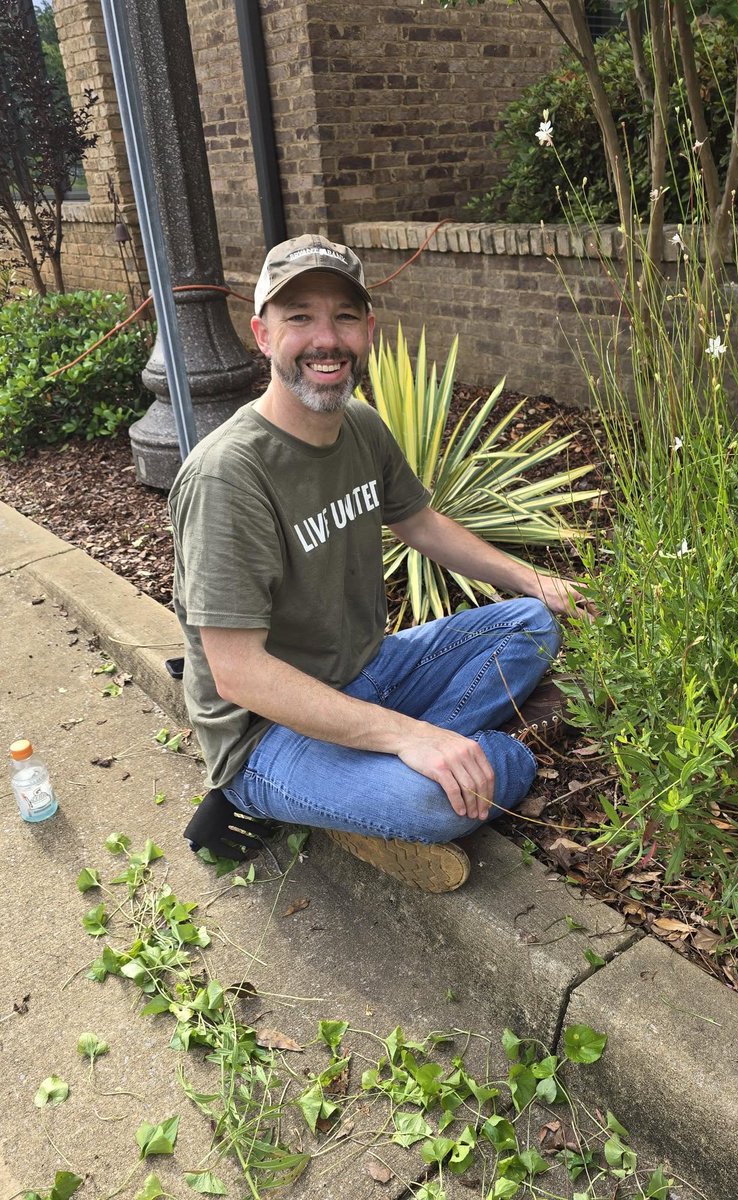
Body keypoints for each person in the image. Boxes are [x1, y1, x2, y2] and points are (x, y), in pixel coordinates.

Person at [169, 234, 590, 891]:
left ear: (367, 331)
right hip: (268, 733)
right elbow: (239, 672)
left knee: (531, 624)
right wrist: (409, 739)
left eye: (343, 317)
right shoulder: (229, 476)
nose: (325, 339)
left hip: (372, 669)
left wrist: (533, 579)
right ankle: (446, 761)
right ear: (262, 334)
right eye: (300, 316)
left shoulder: (361, 426)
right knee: (433, 801)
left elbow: (419, 522)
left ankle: (400, 757)